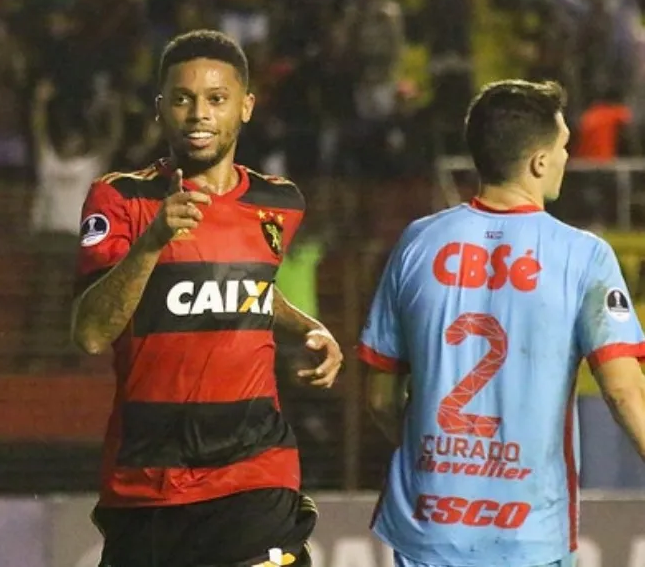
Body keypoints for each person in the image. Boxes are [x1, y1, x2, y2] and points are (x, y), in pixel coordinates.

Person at [71, 29, 344, 567]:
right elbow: (90, 332)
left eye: (216, 99)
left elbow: (245, 286)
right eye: (183, 99)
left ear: (245, 107)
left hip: (255, 473)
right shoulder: (122, 197)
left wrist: (306, 326)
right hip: (149, 481)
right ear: (159, 110)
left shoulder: (280, 202)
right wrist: (151, 244)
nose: (199, 113)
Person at [359, 79, 645, 567]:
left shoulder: (417, 242)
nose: (565, 159)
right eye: (563, 148)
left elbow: (380, 397)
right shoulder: (584, 256)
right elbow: (623, 393)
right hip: (528, 537)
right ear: (537, 161)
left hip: (428, 528)